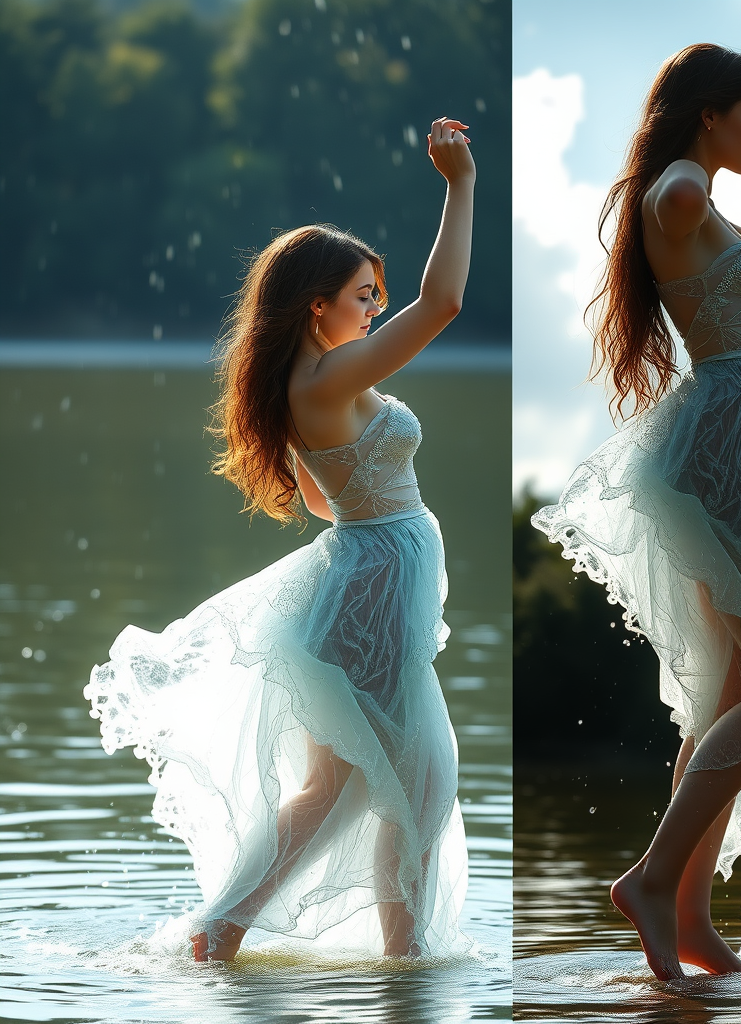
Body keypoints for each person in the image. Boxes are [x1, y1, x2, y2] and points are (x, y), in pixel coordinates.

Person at [84, 116, 476, 963]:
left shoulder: (315, 385)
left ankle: (220, 932)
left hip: (363, 584)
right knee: (417, 785)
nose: (376, 307)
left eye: (379, 293)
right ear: (316, 304)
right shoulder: (329, 379)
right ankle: (400, 967)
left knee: (337, 790)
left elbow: (327, 499)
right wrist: (461, 184)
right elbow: (443, 303)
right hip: (369, 593)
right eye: (364, 294)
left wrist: (391, 538)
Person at [532, 44, 741, 981]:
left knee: (734, 696)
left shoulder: (719, 211)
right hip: (728, 454)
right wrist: (680, 183)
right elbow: (663, 200)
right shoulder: (678, 194)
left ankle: (691, 919)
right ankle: (656, 881)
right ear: (706, 114)